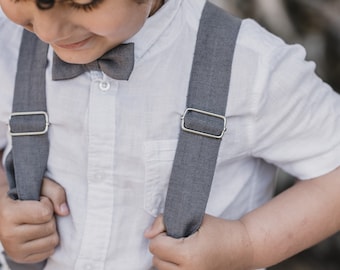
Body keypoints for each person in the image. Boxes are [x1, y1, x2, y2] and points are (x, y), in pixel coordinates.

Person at [0, 0, 339, 269]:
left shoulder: (250, 65)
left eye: (85, 3)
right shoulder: (8, 42)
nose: (47, 31)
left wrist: (246, 244)